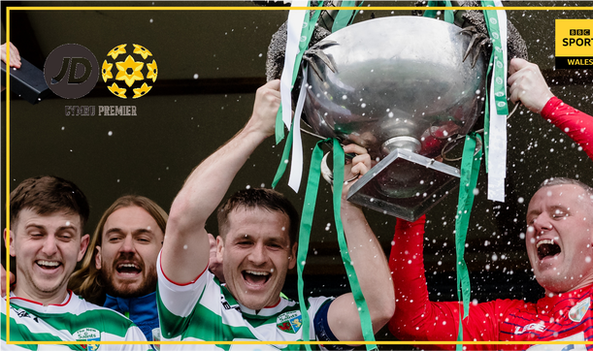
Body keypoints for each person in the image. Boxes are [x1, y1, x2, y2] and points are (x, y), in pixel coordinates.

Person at [388, 58, 593, 350]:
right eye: (532, 218)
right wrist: (413, 206)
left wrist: (550, 104)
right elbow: (412, 321)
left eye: (559, 214)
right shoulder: (506, 322)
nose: (537, 224)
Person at [156, 79, 395, 350]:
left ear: (292, 255)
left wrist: (347, 203)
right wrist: (255, 129)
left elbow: (377, 309)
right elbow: (183, 219)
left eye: (273, 244)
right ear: (219, 248)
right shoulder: (191, 301)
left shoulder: (309, 321)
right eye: (244, 241)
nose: (258, 257)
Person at [1, 175, 148, 350]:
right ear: (10, 242)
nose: (50, 249)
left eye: (64, 236)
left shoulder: (122, 333)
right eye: (36, 234)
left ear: (81, 247)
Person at [69, 195, 169, 344]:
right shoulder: (68, 327)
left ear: (167, 255)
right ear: (98, 258)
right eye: (115, 238)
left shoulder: (193, 327)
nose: (127, 248)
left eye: (142, 239)